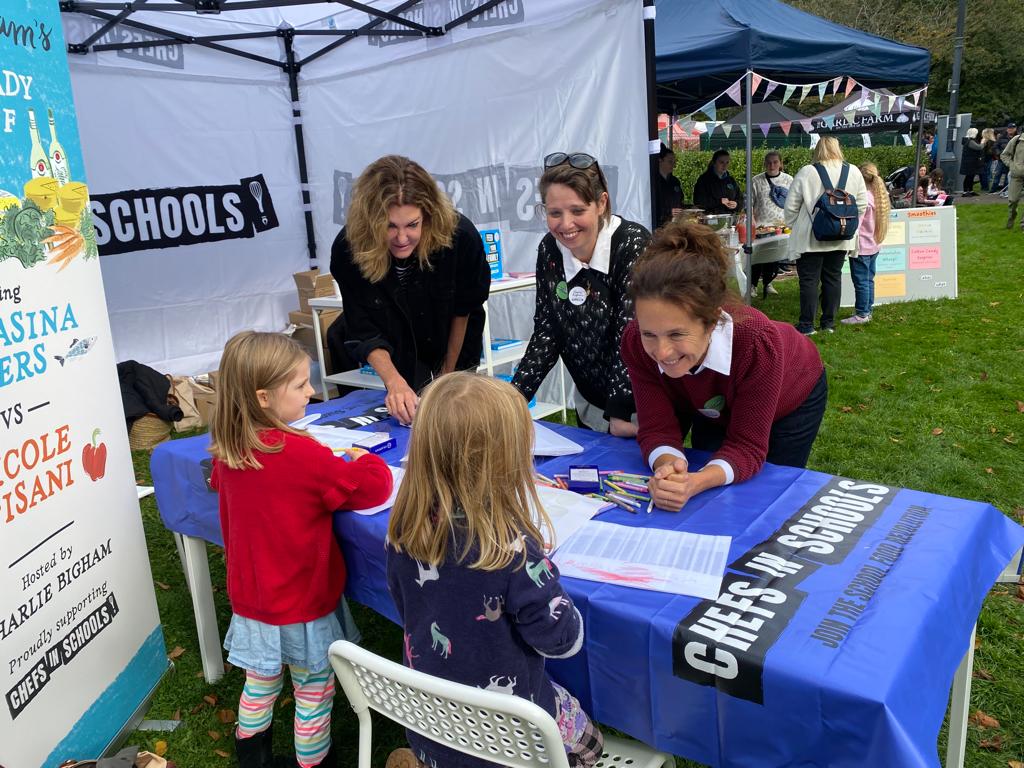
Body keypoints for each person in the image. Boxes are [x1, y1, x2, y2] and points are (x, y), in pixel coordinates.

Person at [384, 373, 603, 768]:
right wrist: (545, 572)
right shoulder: (512, 551)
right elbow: (561, 641)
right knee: (591, 742)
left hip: (430, 726)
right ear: (507, 462)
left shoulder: (403, 530)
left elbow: (406, 605)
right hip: (511, 744)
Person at [210, 331, 393, 768]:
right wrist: (363, 457)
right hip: (303, 602)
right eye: (300, 385)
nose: (312, 391)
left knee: (260, 684)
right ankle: (312, 763)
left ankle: (252, 758)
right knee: (313, 693)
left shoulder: (230, 451)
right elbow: (373, 488)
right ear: (264, 397)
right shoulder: (303, 455)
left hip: (253, 600)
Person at [620, 221, 827, 512]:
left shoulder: (756, 343)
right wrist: (671, 470)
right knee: (711, 473)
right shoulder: (633, 342)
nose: (662, 352)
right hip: (711, 400)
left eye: (677, 334)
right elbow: (657, 427)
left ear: (713, 321)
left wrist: (696, 482)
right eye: (649, 334)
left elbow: (748, 447)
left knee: (768, 495)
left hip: (793, 393)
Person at [330, 155, 491, 425]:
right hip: (399, 351)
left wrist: (446, 379)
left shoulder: (459, 236)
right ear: (370, 222)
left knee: (456, 420)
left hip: (455, 345)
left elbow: (462, 311)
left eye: (412, 225)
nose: (402, 239)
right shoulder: (349, 249)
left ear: (428, 216)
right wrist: (394, 382)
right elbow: (363, 328)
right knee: (409, 422)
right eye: (389, 227)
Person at [512, 152, 650, 435]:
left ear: (601, 204)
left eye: (577, 211)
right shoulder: (549, 249)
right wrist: (513, 399)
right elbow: (548, 330)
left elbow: (631, 331)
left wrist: (620, 409)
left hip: (637, 403)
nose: (565, 224)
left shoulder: (632, 243)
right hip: (590, 401)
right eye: (554, 213)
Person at [783, 136, 868, 335]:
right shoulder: (854, 171)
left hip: (811, 238)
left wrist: (797, 224)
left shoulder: (807, 172)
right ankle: (828, 323)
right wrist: (844, 222)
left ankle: (807, 325)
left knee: (809, 281)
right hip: (841, 236)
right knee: (833, 278)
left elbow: (791, 207)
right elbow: (861, 204)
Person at [842, 162, 890, 325]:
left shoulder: (864, 200)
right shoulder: (880, 196)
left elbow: (855, 226)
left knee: (861, 281)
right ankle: (867, 310)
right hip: (874, 245)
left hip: (862, 247)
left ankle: (862, 314)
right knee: (868, 279)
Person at [749, 151, 794, 297]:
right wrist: (752, 221)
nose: (772, 165)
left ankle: (768, 283)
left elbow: (794, 202)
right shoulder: (756, 181)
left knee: (773, 256)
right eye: (768, 162)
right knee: (757, 257)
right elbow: (749, 202)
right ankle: (753, 285)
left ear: (780, 163)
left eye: (775, 162)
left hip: (781, 226)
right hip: (761, 226)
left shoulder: (789, 180)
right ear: (764, 164)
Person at [692, 149, 744, 215]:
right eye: (721, 162)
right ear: (714, 163)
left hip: (729, 219)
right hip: (710, 219)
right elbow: (699, 201)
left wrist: (736, 204)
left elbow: (740, 199)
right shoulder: (704, 180)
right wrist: (719, 201)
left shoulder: (731, 180)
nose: (725, 165)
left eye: (727, 162)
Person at [654, 143, 684, 226]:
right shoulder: (654, 182)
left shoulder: (675, 181)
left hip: (675, 224)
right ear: (660, 161)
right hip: (659, 225)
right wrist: (669, 211)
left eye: (674, 162)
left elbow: (680, 200)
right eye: (670, 162)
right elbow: (652, 205)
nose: (673, 165)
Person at [1000, 126, 1024, 230]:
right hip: (1016, 175)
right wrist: (1012, 166)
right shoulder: (1017, 140)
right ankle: (1011, 218)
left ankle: (1023, 224)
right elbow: (1004, 155)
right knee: (1013, 200)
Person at [991, 122, 1017, 192]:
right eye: (1010, 128)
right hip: (1001, 159)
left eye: (1013, 128)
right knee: (997, 174)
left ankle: (1006, 190)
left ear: (1015, 129)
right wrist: (999, 154)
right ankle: (993, 190)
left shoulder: (1018, 138)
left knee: (1009, 175)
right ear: (1007, 129)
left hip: (1012, 160)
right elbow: (995, 147)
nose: (1011, 130)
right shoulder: (1002, 137)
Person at [959, 127, 984, 196]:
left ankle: (970, 190)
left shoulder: (968, 141)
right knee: (968, 177)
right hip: (969, 162)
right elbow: (979, 147)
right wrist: (983, 142)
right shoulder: (970, 141)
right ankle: (965, 191)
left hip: (970, 161)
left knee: (971, 176)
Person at [980, 128, 998, 193]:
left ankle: (985, 187)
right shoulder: (992, 141)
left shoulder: (985, 141)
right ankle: (986, 187)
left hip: (984, 158)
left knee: (984, 173)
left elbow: (983, 151)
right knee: (987, 172)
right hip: (989, 158)